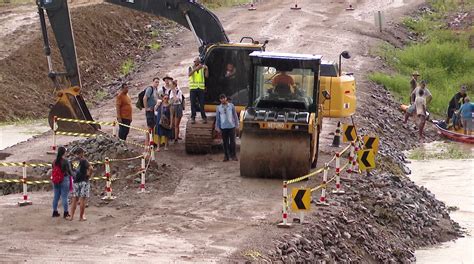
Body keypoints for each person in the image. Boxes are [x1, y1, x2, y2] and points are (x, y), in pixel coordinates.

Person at [68, 147, 92, 221]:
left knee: (74, 199)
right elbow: (91, 168)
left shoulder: (72, 161)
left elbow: (70, 172)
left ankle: (71, 216)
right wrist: (88, 175)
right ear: (81, 153)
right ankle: (81, 217)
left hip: (75, 182)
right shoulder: (84, 160)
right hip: (84, 181)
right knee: (82, 199)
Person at [51, 146, 74, 219]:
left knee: (56, 197)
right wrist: (75, 176)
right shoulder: (65, 161)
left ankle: (54, 211)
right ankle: (66, 213)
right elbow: (69, 171)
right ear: (64, 152)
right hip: (64, 179)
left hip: (55, 180)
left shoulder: (54, 161)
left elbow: (53, 170)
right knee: (64, 197)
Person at [215, 94, 239, 162]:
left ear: (226, 98)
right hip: (223, 127)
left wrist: (237, 125)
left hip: (231, 126)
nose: (223, 100)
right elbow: (217, 118)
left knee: (233, 142)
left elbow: (235, 116)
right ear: (220, 100)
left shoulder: (231, 106)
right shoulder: (218, 108)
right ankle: (226, 156)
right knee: (225, 143)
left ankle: (233, 156)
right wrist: (217, 127)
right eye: (221, 99)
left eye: (224, 98)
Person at [188, 57, 208, 124]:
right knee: (193, 103)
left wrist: (206, 69)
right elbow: (189, 74)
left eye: (198, 62)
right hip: (193, 88)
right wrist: (195, 69)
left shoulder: (202, 68)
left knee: (202, 103)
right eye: (196, 62)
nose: (197, 63)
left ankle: (204, 117)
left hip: (201, 88)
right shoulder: (191, 67)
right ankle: (193, 117)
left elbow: (206, 76)